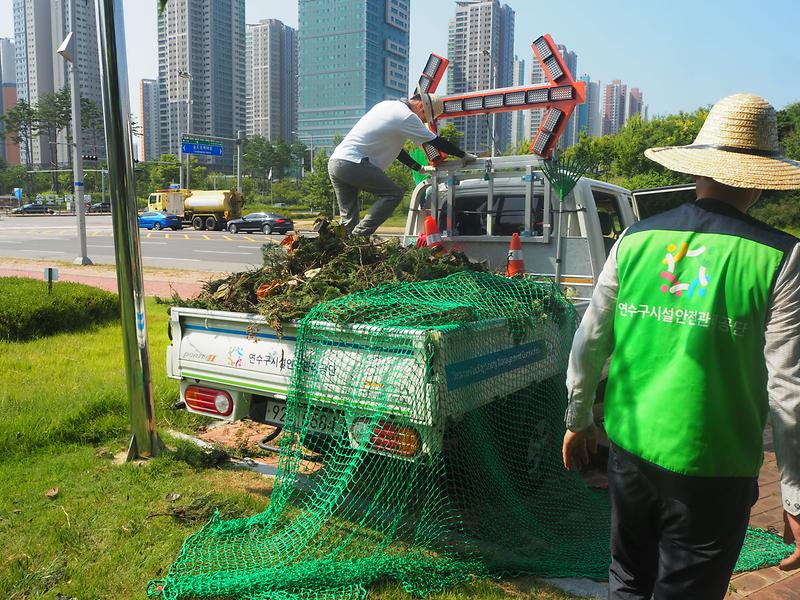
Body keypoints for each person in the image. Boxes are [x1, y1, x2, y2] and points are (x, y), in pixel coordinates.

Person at [562, 93, 800, 599]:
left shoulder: (636, 238)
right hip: (714, 467)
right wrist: (795, 497)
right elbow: (789, 390)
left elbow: (590, 341)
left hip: (629, 451)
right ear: (760, 180)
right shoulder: (783, 257)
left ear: (699, 169)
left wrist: (578, 418)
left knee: (627, 579)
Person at [328, 85, 476, 236]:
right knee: (393, 194)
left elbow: (398, 151)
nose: (422, 122)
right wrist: (462, 155)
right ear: (421, 107)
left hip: (336, 163)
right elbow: (435, 142)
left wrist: (419, 168)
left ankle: (343, 246)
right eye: (424, 118)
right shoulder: (407, 116)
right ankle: (359, 236)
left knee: (348, 219)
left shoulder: (386, 105)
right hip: (354, 162)